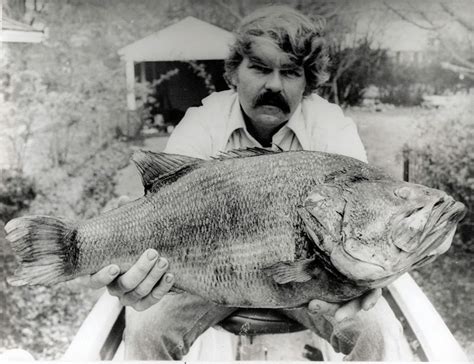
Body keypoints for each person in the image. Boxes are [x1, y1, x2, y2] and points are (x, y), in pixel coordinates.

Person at [86, 6, 412, 360]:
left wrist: (371, 277)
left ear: (307, 83)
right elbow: (163, 212)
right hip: (209, 277)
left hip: (309, 282)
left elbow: (364, 225)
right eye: (259, 68)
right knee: (145, 327)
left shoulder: (331, 128)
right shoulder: (203, 123)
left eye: (290, 72)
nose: (274, 84)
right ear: (234, 74)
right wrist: (138, 274)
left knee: (377, 330)